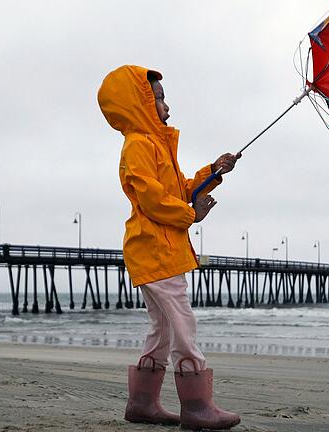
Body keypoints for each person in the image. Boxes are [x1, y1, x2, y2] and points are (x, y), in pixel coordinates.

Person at [97, 65, 241, 430]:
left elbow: (177, 192)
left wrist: (215, 170)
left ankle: (142, 404)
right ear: (139, 103)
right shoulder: (139, 146)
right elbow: (152, 200)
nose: (166, 106)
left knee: (162, 327)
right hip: (154, 250)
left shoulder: (155, 145)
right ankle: (197, 406)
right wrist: (191, 215)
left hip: (157, 250)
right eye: (158, 98)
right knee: (182, 322)